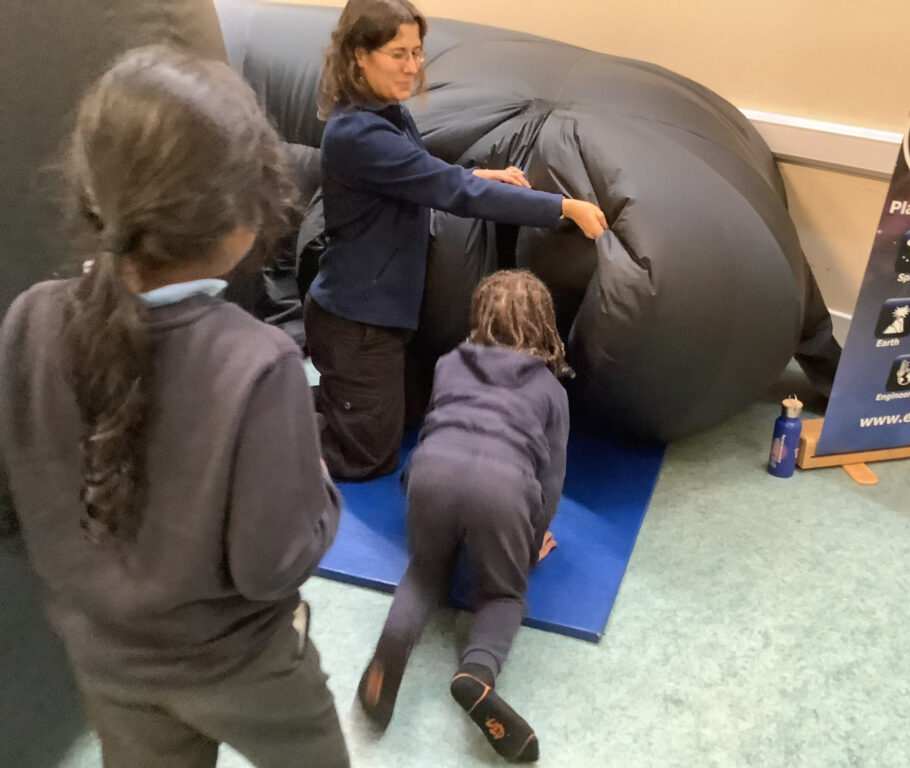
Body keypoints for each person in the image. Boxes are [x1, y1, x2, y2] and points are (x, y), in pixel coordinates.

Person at [0, 47, 349, 768]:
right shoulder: (262, 366)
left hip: (106, 663)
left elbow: (13, 508)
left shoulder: (27, 320)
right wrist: (319, 487)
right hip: (243, 668)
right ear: (240, 223)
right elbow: (272, 564)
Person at [310, 0, 608, 481]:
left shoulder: (385, 112)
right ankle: (266, 422)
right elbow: (453, 193)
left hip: (384, 316)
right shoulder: (357, 133)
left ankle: (325, 398)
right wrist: (560, 207)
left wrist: (480, 172)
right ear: (358, 56)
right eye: (397, 54)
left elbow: (420, 172)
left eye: (417, 52)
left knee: (404, 416)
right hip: (355, 322)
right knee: (369, 458)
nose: (412, 67)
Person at [356, 269, 571, 763]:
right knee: (502, 593)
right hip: (504, 488)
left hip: (431, 473)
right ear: (546, 327)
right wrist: (530, 542)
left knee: (426, 571)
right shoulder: (551, 391)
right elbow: (552, 478)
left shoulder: (448, 362)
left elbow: (435, 427)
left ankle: (391, 649)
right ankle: (476, 673)